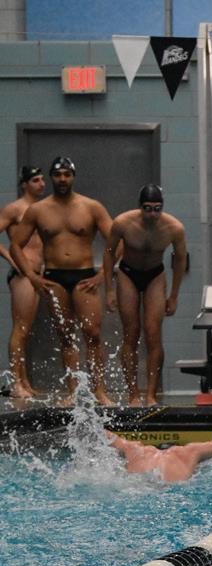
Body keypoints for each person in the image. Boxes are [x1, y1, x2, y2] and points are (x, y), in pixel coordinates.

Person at [9, 156, 114, 406]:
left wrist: (103, 274)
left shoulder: (91, 207)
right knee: (66, 336)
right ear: (52, 178)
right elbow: (15, 245)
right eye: (57, 175)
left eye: (67, 174)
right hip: (54, 278)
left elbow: (115, 241)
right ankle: (73, 392)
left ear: (73, 177)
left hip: (84, 276)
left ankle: (99, 391)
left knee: (93, 334)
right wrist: (31, 275)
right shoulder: (38, 210)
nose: (62, 179)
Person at [103, 184, 187, 408]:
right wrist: (109, 289)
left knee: (153, 334)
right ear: (140, 207)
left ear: (162, 207)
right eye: (147, 209)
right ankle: (133, 394)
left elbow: (180, 260)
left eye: (157, 209)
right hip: (127, 274)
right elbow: (109, 253)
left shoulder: (174, 228)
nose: (152, 214)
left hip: (155, 275)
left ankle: (151, 395)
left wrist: (174, 296)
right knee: (131, 333)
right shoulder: (123, 223)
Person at [0, 166, 46, 398]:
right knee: (20, 329)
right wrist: (13, 260)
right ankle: (16, 383)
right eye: (36, 180)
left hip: (36, 274)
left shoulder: (41, 208)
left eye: (42, 179)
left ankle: (25, 381)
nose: (42, 184)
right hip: (22, 275)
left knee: (26, 331)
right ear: (24, 184)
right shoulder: (15, 209)